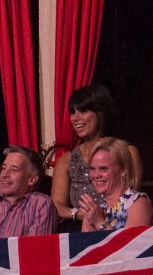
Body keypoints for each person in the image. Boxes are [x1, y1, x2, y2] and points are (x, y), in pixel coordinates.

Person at [51, 84, 142, 227]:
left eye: (83, 110)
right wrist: (80, 213)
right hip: (78, 228)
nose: (76, 118)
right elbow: (56, 206)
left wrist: (101, 217)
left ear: (101, 113)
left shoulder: (128, 152)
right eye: (72, 112)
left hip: (118, 227)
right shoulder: (66, 160)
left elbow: (131, 199)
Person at [77, 138, 153, 231]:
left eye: (103, 168)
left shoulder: (138, 203)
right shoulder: (97, 209)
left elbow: (130, 244)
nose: (96, 175)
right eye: (92, 169)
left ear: (123, 170)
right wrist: (89, 220)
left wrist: (99, 223)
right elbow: (87, 245)